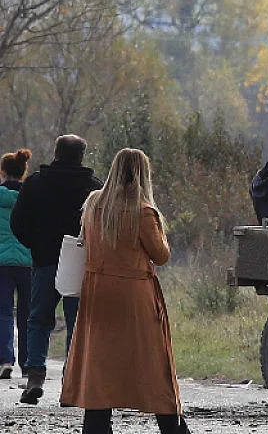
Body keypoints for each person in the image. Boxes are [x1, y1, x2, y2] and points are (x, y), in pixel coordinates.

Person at [60, 148, 191, 434]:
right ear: (143, 174)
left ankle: (96, 426)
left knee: (99, 365)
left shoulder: (94, 204)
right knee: (153, 365)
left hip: (98, 294)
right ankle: (172, 426)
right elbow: (161, 255)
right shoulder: (143, 212)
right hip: (134, 296)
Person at [10, 135, 102, 404]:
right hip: (80, 264)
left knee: (39, 319)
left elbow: (18, 222)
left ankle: (35, 377)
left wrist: (36, 245)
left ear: (56, 153)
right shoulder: (94, 189)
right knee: (76, 323)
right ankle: (70, 384)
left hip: (45, 261)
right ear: (81, 157)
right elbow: (102, 226)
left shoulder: (35, 184)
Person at [0, 149, 33, 379]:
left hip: (1, 262)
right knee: (27, 314)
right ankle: (28, 363)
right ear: (23, 172)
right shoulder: (31, 196)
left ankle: (5, 360)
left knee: (2, 313)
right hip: (29, 262)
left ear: (2, 172)